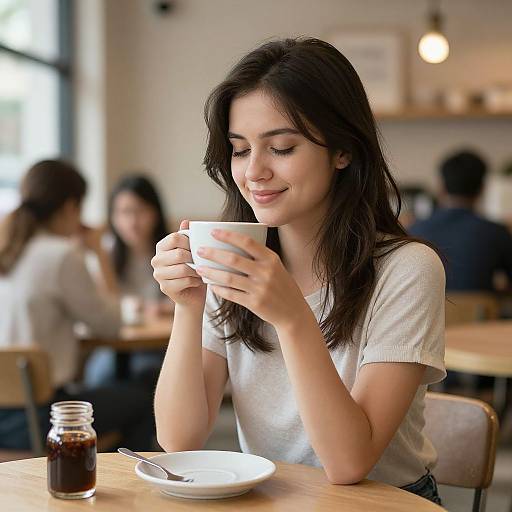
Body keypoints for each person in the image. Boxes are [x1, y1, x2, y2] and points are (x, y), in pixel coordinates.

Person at [151, 38, 445, 504]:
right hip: (273, 499)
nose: (254, 172)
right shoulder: (235, 260)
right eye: (240, 149)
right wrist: (187, 308)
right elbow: (178, 439)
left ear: (343, 150)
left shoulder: (407, 269)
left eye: (282, 147)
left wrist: (291, 318)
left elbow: (349, 464)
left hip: (385, 501)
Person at [0, 160, 154, 450]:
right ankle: (121, 478)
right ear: (71, 207)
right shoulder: (61, 255)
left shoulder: (8, 249)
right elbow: (111, 325)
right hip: (40, 418)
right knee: (146, 400)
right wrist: (96, 250)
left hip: (5, 417)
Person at [84, 174, 172, 387]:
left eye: (140, 211)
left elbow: (189, 300)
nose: (132, 222)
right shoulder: (106, 252)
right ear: (112, 217)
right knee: (100, 376)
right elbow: (104, 303)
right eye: (124, 212)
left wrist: (162, 308)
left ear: (155, 213)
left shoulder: (171, 250)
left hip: (159, 346)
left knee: (147, 373)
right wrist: (99, 255)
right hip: (113, 344)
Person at [409, 150, 512, 291]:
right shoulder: (497, 232)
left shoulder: (415, 230)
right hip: (479, 313)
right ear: (482, 189)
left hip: (429, 311)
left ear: (441, 187)